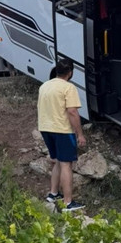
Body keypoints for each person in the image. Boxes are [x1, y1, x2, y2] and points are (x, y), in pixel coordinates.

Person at [37, 57, 87, 212]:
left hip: (45, 128)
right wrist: (80, 134)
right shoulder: (68, 88)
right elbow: (72, 111)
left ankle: (53, 194)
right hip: (62, 130)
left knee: (58, 161)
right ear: (70, 72)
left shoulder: (44, 86)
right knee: (66, 164)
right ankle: (68, 202)